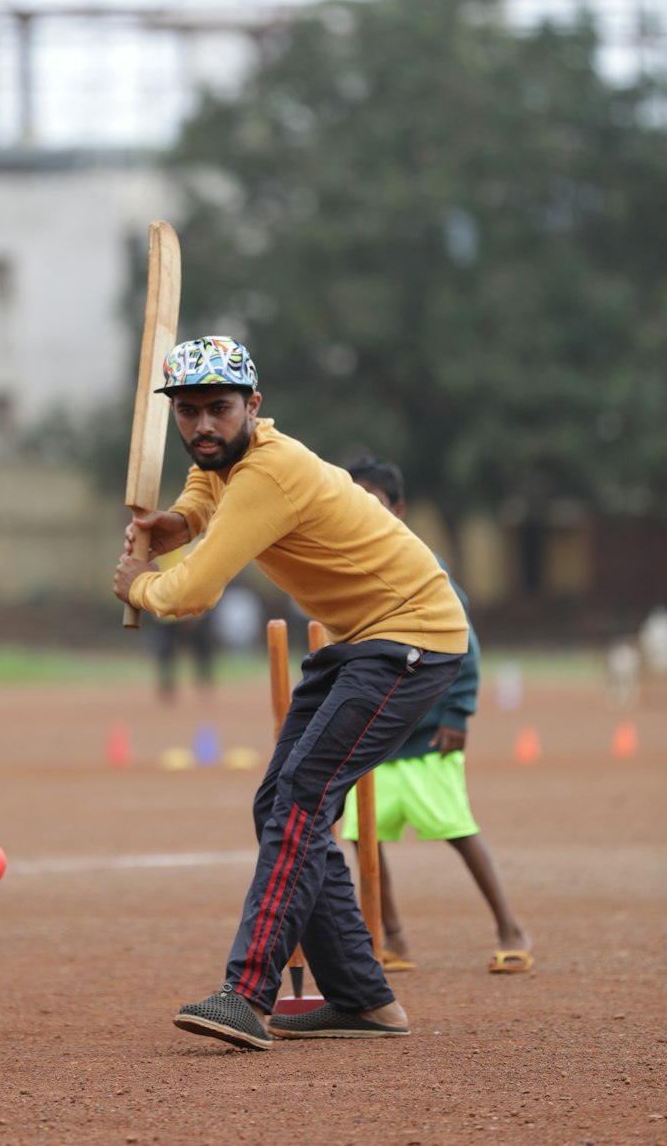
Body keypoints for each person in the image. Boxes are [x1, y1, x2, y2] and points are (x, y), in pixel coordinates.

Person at [113, 336, 469, 1051]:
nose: (202, 426)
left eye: (218, 409)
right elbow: (202, 495)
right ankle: (364, 1001)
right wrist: (177, 523)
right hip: (357, 639)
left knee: (303, 796)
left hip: (412, 636)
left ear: (254, 407)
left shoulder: (269, 473)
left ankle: (247, 995)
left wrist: (140, 586)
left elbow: (193, 591)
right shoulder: (223, 462)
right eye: (188, 412)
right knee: (279, 801)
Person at [338, 456, 532, 975]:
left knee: (457, 830)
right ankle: (393, 936)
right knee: (362, 836)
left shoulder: (421, 563)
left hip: (426, 736)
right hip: (375, 734)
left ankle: (510, 928)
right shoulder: (348, 566)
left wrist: (459, 712)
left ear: (397, 509)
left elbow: (463, 641)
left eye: (372, 502)